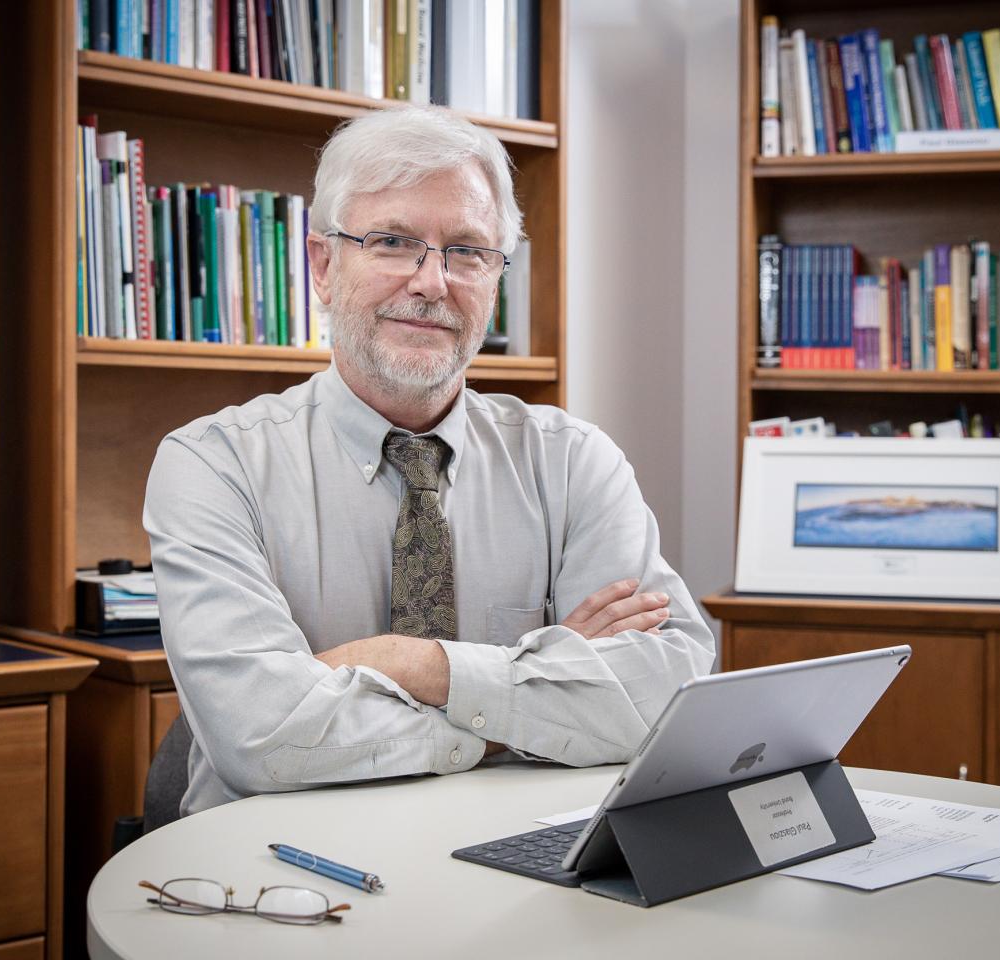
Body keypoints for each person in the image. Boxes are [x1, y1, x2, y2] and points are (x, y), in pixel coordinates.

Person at [144, 105, 716, 816]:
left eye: (468, 251)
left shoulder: (573, 462)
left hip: (512, 854)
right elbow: (264, 738)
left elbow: (668, 693)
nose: (432, 282)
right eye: (392, 241)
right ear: (323, 265)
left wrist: (410, 663)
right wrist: (533, 698)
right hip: (273, 869)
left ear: (496, 277)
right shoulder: (211, 465)